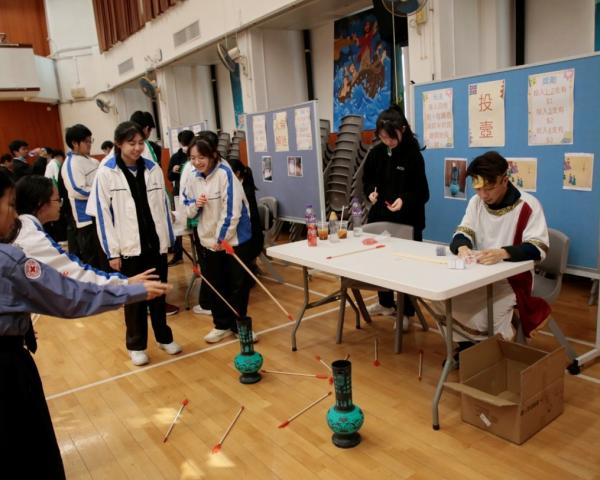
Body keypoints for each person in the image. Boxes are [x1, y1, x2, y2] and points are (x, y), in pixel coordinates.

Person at [0, 168, 169, 478]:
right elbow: (71, 290)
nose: (14, 214)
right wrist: (128, 288)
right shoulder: (18, 248)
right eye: (9, 205)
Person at [428, 151, 550, 350]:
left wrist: (502, 253)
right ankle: (467, 348)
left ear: (504, 180)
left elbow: (538, 248)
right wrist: (462, 247)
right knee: (442, 299)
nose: (484, 195)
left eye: (489, 189)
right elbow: (462, 232)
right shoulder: (476, 202)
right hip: (479, 274)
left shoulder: (528, 206)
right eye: (478, 189)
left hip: (512, 279)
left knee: (484, 317)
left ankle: (487, 350)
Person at [90, 121, 181, 366]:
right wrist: (112, 252)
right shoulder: (106, 172)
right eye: (131, 143)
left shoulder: (153, 168)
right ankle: (136, 345)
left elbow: (163, 206)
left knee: (158, 294)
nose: (137, 148)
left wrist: (168, 240)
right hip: (128, 247)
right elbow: (102, 216)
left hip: (154, 244)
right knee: (135, 300)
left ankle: (164, 337)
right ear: (119, 144)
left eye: (141, 143)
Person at [14, 175, 157, 287]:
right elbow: (75, 272)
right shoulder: (33, 238)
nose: (60, 205)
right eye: (57, 200)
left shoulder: (24, 228)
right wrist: (125, 282)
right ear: (41, 203)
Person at [182, 132, 256, 343]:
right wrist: (195, 205)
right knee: (215, 285)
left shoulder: (225, 173)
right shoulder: (193, 176)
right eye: (193, 158)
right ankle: (221, 325)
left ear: (213, 155)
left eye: (201, 157)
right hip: (207, 240)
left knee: (237, 286)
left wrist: (221, 239)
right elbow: (186, 205)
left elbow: (232, 211)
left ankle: (240, 326)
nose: (197, 162)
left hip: (233, 240)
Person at [362, 105, 430, 330]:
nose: (387, 142)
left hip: (407, 222)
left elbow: (423, 193)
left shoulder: (413, 156)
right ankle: (385, 303)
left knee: (406, 269)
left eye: (391, 137)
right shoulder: (376, 153)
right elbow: (367, 181)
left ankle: (406, 312)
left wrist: (404, 200)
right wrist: (370, 193)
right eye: (383, 138)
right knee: (379, 263)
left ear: (403, 130)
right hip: (380, 218)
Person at [61, 124, 104, 268]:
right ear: (74, 143)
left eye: (91, 140)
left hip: (99, 214)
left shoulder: (92, 161)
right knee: (93, 258)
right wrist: (101, 192)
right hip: (86, 219)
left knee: (104, 256)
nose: (90, 144)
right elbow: (77, 190)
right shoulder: (71, 164)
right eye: (86, 141)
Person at [167, 129, 195, 266]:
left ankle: (200, 253)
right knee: (179, 225)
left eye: (188, 144)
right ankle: (178, 255)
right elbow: (169, 176)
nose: (185, 147)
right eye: (184, 144)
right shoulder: (176, 157)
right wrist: (173, 170)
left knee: (195, 224)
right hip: (179, 194)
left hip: (194, 195)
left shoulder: (195, 155)